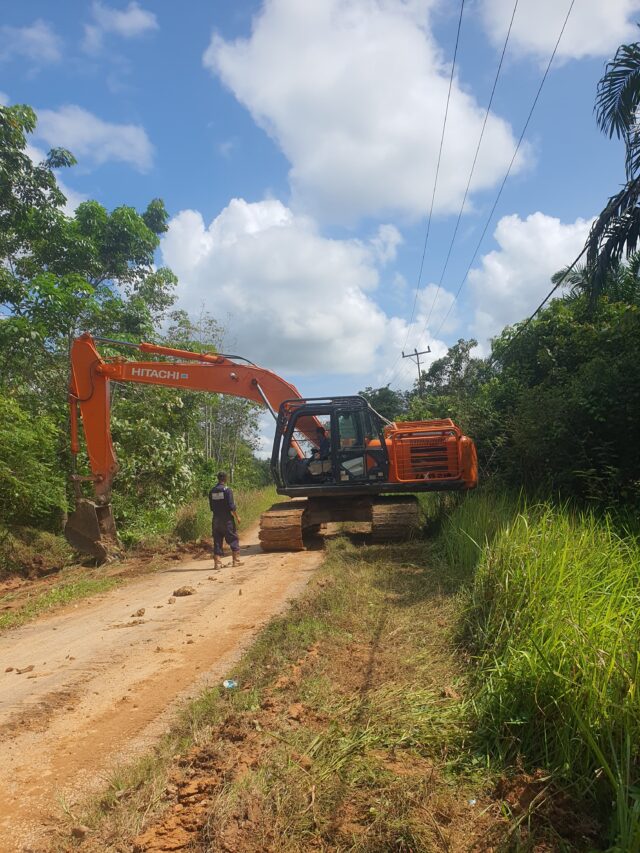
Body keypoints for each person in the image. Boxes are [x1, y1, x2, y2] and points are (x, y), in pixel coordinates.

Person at [208, 471, 243, 569]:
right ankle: (236, 561)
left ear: (218, 478)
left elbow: (211, 507)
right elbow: (231, 506)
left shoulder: (212, 491)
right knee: (233, 539)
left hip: (216, 520)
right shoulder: (227, 490)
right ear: (226, 479)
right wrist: (237, 517)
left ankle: (217, 563)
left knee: (217, 540)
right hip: (227, 520)